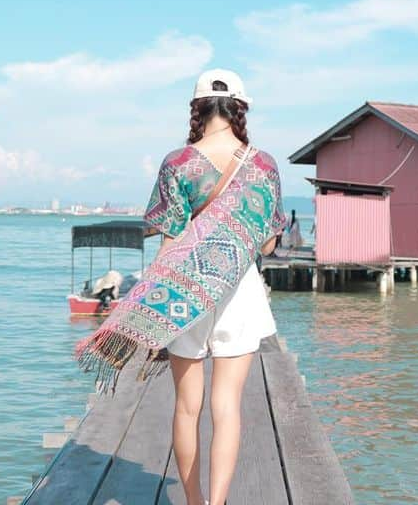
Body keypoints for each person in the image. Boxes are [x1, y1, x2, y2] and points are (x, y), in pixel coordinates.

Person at [75, 68, 286, 505]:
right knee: (227, 409)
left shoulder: (178, 163)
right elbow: (267, 241)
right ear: (241, 108)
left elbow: (168, 237)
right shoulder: (263, 165)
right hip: (240, 291)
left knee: (187, 408)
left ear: (197, 108)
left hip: (184, 292)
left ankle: (192, 502)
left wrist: (151, 306)